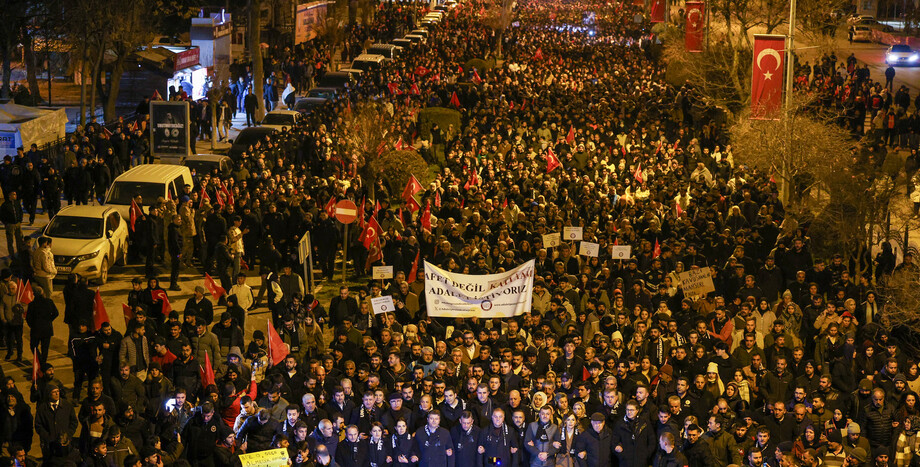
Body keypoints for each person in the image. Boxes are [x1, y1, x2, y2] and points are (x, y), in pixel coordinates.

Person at [0, 191, 23, 257]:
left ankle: (20, 253)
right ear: (9, 196)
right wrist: (6, 223)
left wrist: (20, 220)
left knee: (19, 240)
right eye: (14, 194)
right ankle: (12, 255)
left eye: (15, 194)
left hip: (17, 224)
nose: (15, 196)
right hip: (10, 225)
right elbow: (1, 215)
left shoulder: (17, 203)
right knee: (10, 241)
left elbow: (20, 211)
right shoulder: (5, 205)